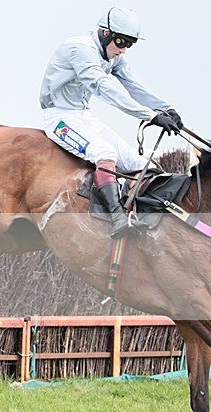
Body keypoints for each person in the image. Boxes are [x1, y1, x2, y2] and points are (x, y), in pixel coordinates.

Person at [39, 7, 182, 239]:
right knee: (105, 152)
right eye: (121, 42)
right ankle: (116, 218)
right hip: (59, 118)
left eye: (129, 44)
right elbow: (103, 88)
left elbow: (134, 85)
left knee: (140, 163)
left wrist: (165, 108)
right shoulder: (80, 48)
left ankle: (141, 213)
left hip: (83, 116)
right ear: (105, 33)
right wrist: (150, 116)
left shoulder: (113, 54)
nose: (123, 50)